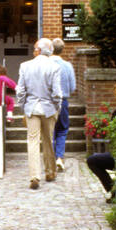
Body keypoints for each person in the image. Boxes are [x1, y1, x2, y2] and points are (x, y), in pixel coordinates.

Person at [15, 38, 65, 189]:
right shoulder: (54, 67)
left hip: (32, 107)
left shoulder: (25, 66)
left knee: (32, 141)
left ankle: (34, 176)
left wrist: (23, 106)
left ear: (38, 50)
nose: (33, 51)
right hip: (48, 108)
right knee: (48, 140)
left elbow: (21, 91)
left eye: (34, 48)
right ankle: (50, 172)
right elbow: (57, 93)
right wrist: (57, 107)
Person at [50, 38, 77, 173]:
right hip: (63, 101)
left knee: (50, 130)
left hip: (48, 102)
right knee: (62, 130)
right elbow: (73, 87)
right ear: (63, 49)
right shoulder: (67, 66)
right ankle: (59, 157)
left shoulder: (46, 64)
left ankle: (50, 159)